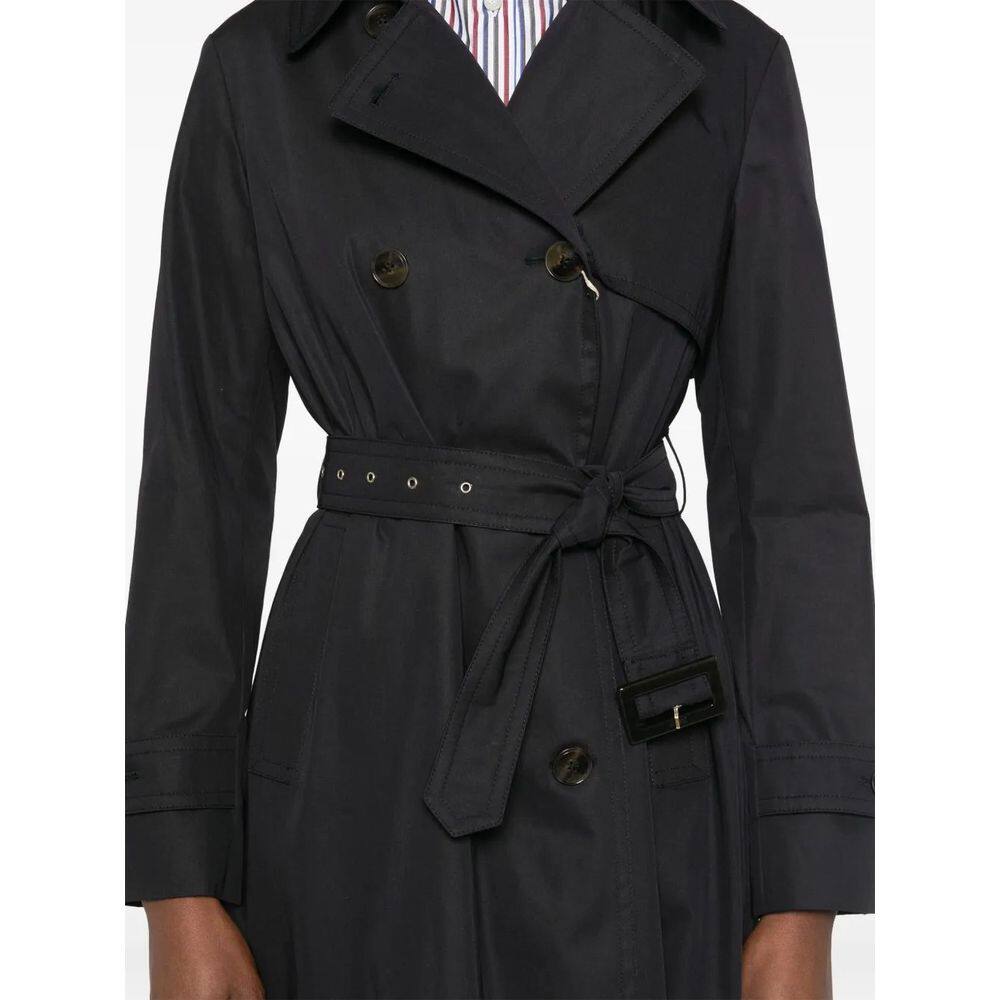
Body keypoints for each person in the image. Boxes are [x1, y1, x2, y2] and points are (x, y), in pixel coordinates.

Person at [126, 2, 874, 997]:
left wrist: (803, 893)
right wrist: (178, 881)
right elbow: (198, 484)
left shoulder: (728, 64)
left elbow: (793, 496)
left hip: (627, 708)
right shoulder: (262, 67)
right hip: (370, 718)